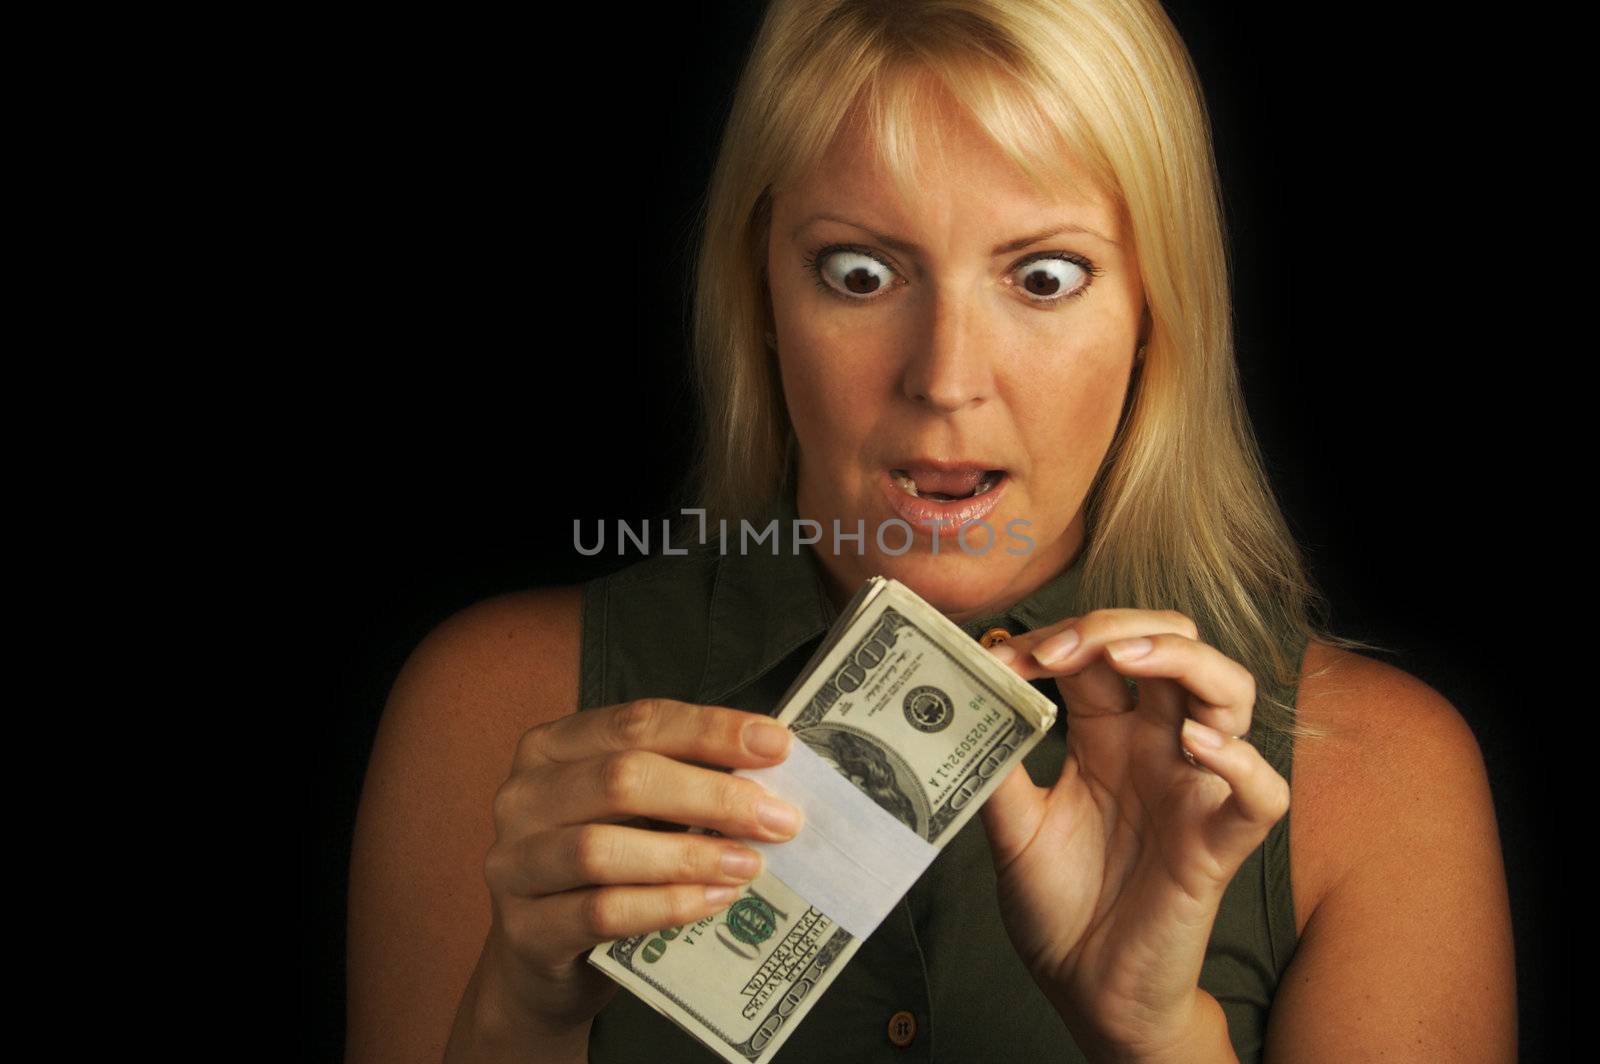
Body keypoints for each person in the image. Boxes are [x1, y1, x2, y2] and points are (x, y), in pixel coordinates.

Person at [345, 2, 1516, 1061]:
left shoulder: (1380, 780)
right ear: (760, 295)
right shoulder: (498, 708)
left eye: (1045, 276)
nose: (947, 377)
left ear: (1158, 312)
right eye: (859, 272)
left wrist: (1152, 1034)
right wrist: (518, 1015)